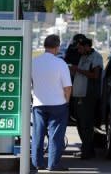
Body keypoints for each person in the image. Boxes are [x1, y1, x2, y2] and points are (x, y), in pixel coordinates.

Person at [31, 34, 72, 172]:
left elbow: (29, 83)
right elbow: (67, 87)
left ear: (44, 46)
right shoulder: (60, 63)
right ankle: (53, 164)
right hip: (58, 104)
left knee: (38, 133)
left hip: (38, 104)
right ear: (57, 47)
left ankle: (37, 162)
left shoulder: (34, 62)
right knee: (55, 135)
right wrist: (66, 101)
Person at [69, 37, 103, 159]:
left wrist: (78, 69)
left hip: (88, 95)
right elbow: (80, 73)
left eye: (80, 48)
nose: (78, 50)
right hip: (78, 94)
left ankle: (87, 152)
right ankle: (86, 148)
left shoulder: (96, 57)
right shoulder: (83, 57)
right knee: (79, 123)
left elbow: (95, 75)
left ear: (87, 46)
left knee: (86, 124)